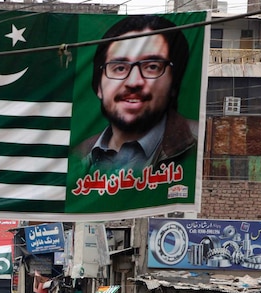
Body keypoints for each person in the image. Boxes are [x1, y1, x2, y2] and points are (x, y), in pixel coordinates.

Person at [76, 14, 197, 176]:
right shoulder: (79, 155)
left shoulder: (196, 144)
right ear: (99, 86)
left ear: (174, 83)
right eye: (119, 68)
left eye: (152, 67)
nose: (133, 82)